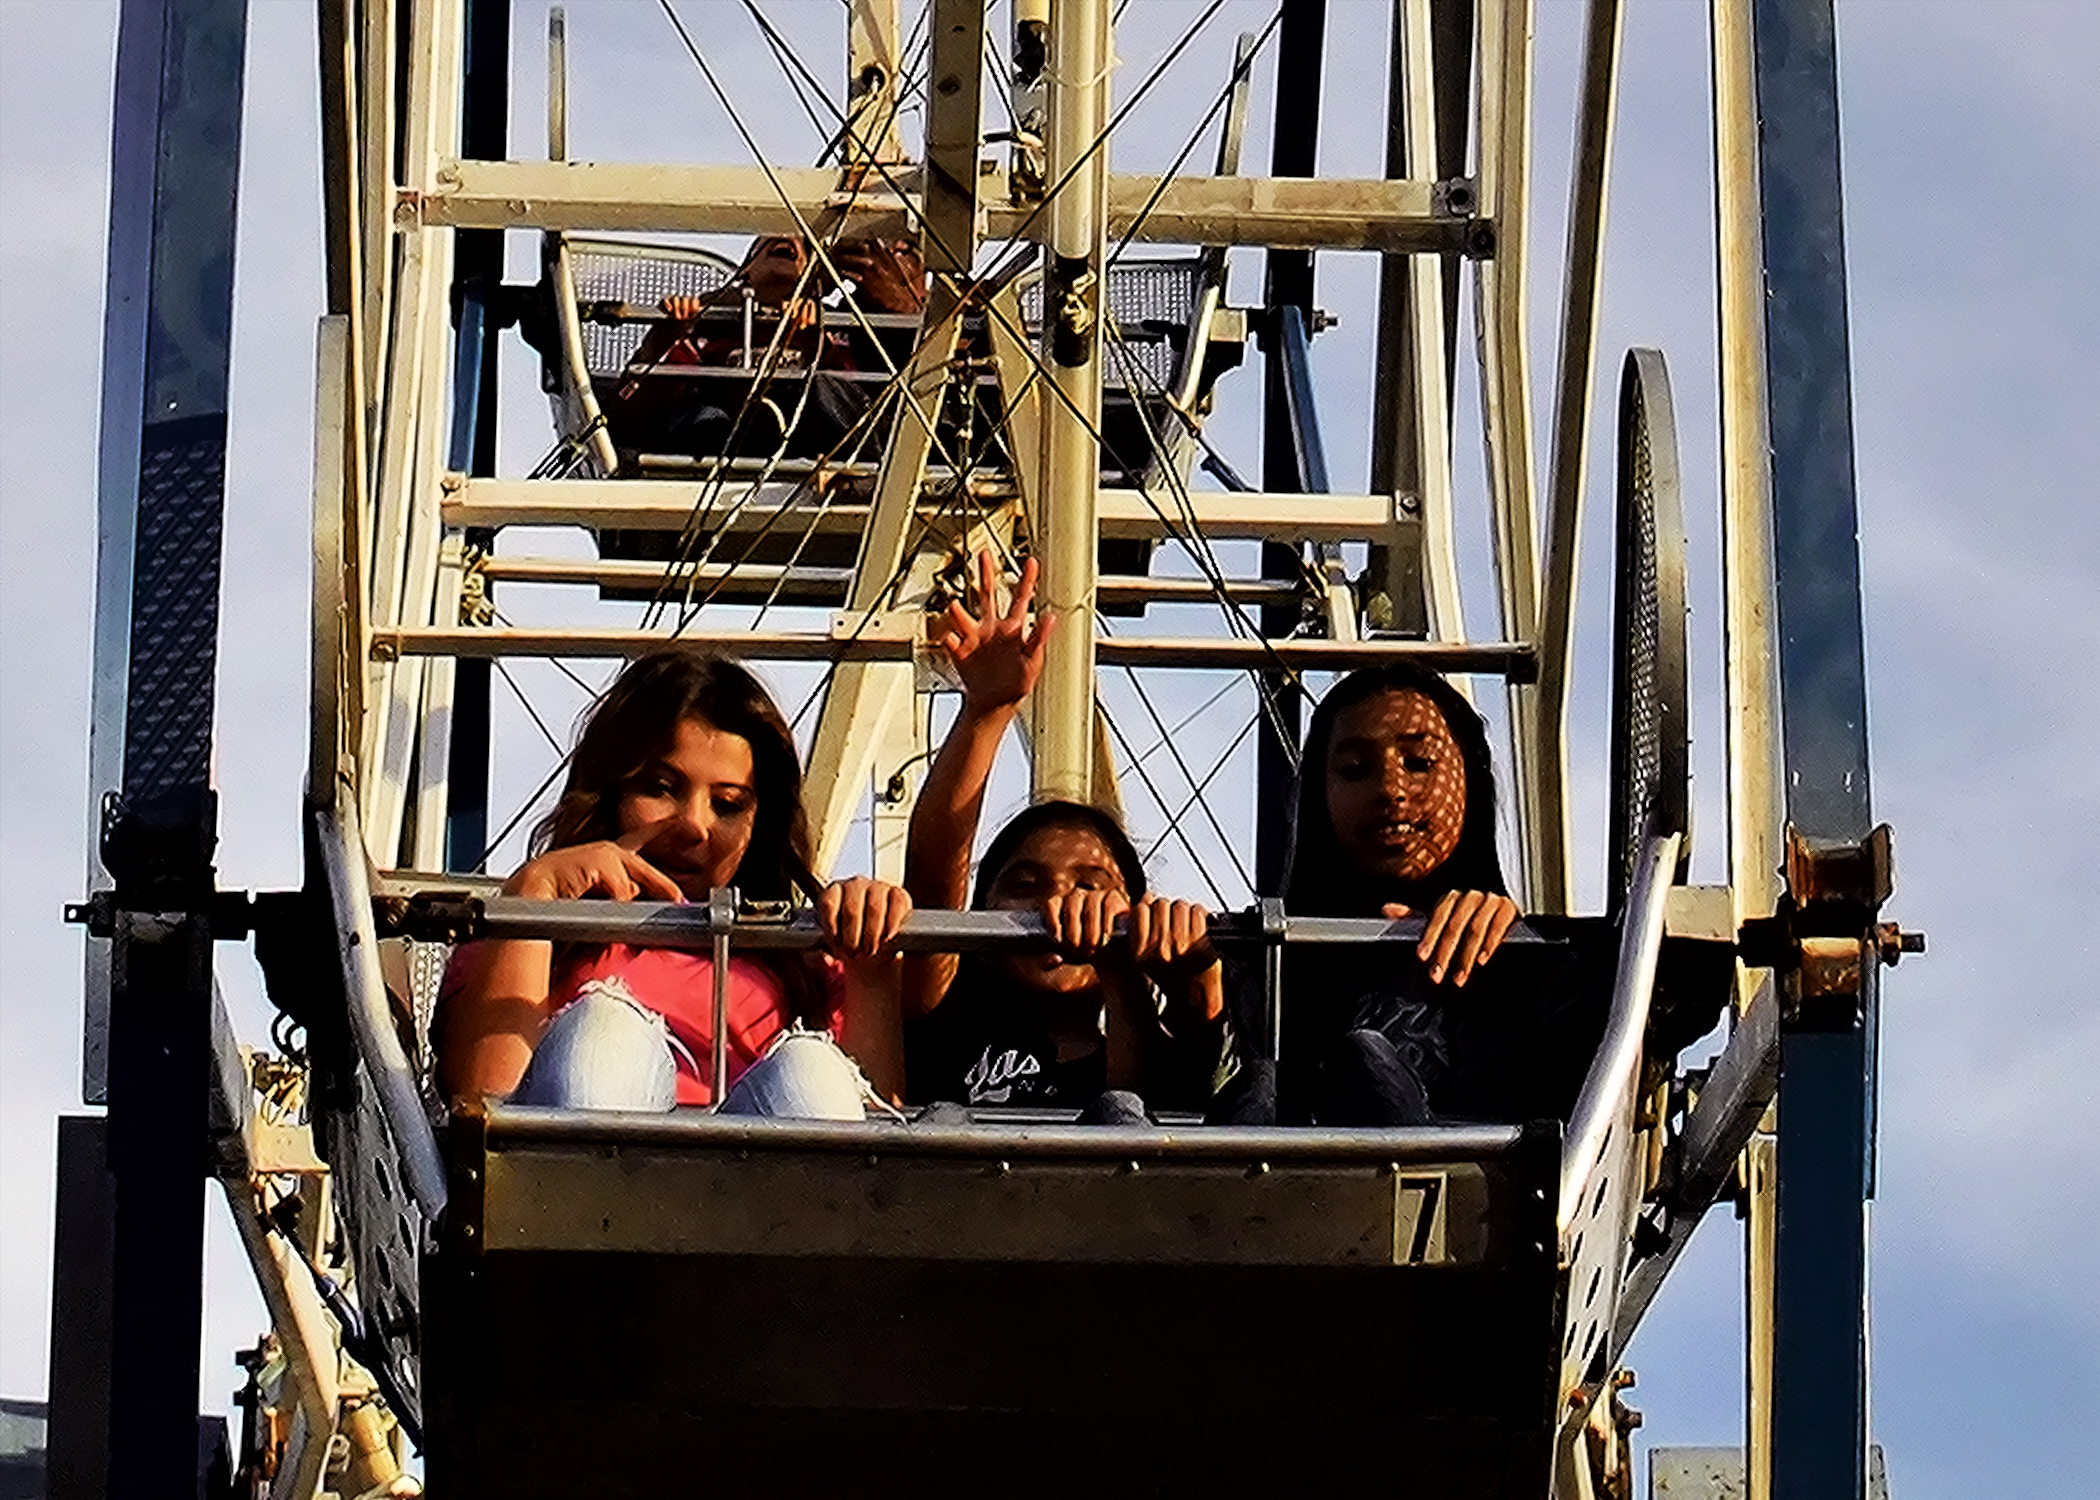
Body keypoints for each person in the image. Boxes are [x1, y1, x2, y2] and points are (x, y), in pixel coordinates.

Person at [436, 650, 912, 1119]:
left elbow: (880, 1140)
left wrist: (871, 965)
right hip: (562, 1156)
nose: (694, 825)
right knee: (606, 1030)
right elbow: (487, 1105)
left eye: (727, 803)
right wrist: (535, 893)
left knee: (810, 1068)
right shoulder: (526, 936)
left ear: (760, 824)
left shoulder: (807, 963)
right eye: (661, 789)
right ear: (612, 791)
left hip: (758, 1163)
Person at [900, 553, 1230, 1119]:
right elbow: (934, 878)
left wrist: (1124, 965)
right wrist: (985, 714)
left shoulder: (1159, 1050)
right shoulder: (942, 1016)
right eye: (1024, 886)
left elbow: (1146, 1120)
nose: (1057, 906)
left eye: (1090, 885)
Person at [1211, 663, 1532, 1128]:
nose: (1390, 790)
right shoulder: (1261, 962)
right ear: (1319, 795)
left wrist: (1512, 944)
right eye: (1355, 769)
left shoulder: (1533, 961)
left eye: (1420, 763)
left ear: (1470, 783)